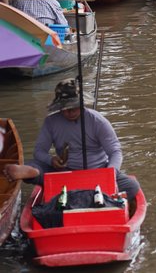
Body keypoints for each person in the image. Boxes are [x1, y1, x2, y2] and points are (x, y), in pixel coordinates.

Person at [3, 79, 141, 201]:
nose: (70, 112)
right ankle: (35, 173)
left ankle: (85, 191)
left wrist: (111, 172)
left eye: (74, 108)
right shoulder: (51, 122)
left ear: (81, 104)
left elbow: (115, 151)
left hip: (98, 171)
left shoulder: (97, 121)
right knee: (34, 165)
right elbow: (39, 151)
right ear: (59, 107)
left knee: (132, 186)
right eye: (65, 109)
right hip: (65, 172)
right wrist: (51, 160)